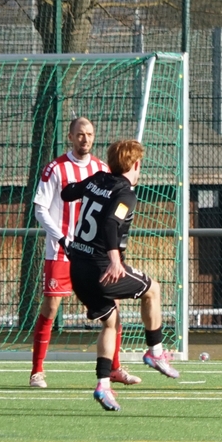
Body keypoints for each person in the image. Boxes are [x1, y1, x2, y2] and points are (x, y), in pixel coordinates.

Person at [61, 139, 179, 412]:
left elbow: (68, 193)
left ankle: (103, 384)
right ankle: (155, 352)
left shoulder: (97, 178)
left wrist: (85, 187)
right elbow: (111, 223)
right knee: (153, 289)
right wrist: (115, 260)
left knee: (111, 323)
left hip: (77, 269)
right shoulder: (126, 194)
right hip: (101, 268)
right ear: (135, 164)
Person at [30, 117, 141, 388]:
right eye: (80, 134)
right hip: (61, 251)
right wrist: (60, 238)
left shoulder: (102, 169)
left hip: (93, 254)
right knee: (51, 307)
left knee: (113, 308)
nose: (85, 139)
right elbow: (40, 208)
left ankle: (114, 368)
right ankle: (37, 371)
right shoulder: (55, 168)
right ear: (70, 136)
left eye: (90, 134)